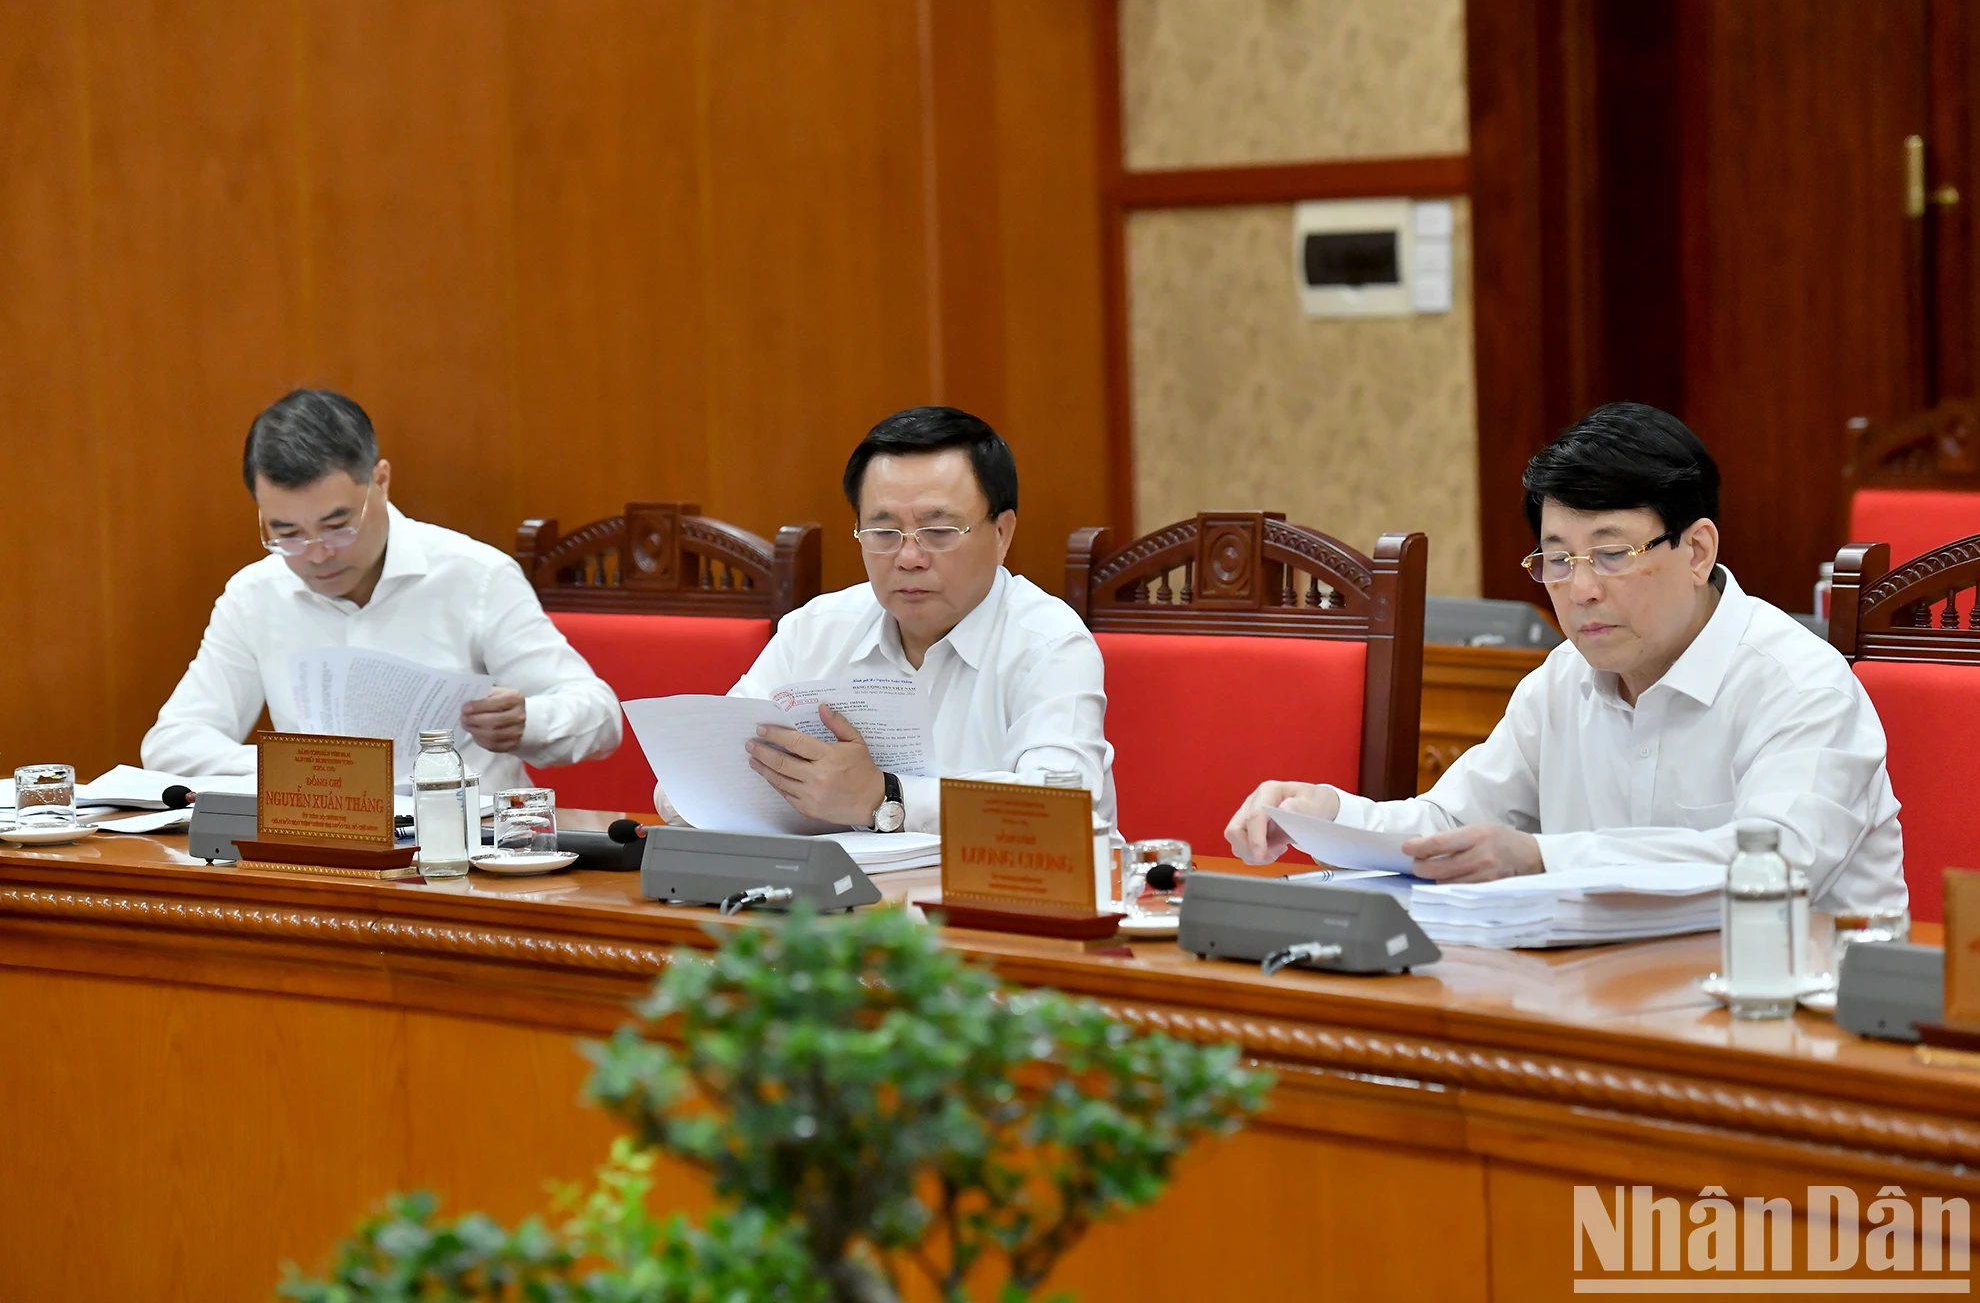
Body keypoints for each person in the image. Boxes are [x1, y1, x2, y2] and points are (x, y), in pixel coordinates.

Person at [1226, 402, 1906, 913]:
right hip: (1613, 1008)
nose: (1579, 590)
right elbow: (1450, 825)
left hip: (1803, 1029)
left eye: (1612, 554)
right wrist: (1328, 815)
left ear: (1697, 551)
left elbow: (1776, 867)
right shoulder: (1561, 681)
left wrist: (1541, 858)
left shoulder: (1799, 686)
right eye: (1558, 559)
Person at [656, 405, 1116, 834]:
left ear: (1001, 533)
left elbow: (1065, 810)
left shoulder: (1048, 642)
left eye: (938, 531)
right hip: (843, 910)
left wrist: (884, 797)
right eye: (883, 532)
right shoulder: (816, 630)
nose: (909, 557)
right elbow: (689, 784)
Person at [142, 388, 621, 788]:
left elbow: (600, 718)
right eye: (286, 533)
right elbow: (172, 742)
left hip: (467, 857)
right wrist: (304, 770)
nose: (316, 553)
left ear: (381, 481)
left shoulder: (474, 576)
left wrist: (528, 721)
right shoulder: (254, 596)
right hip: (321, 860)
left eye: (338, 524)